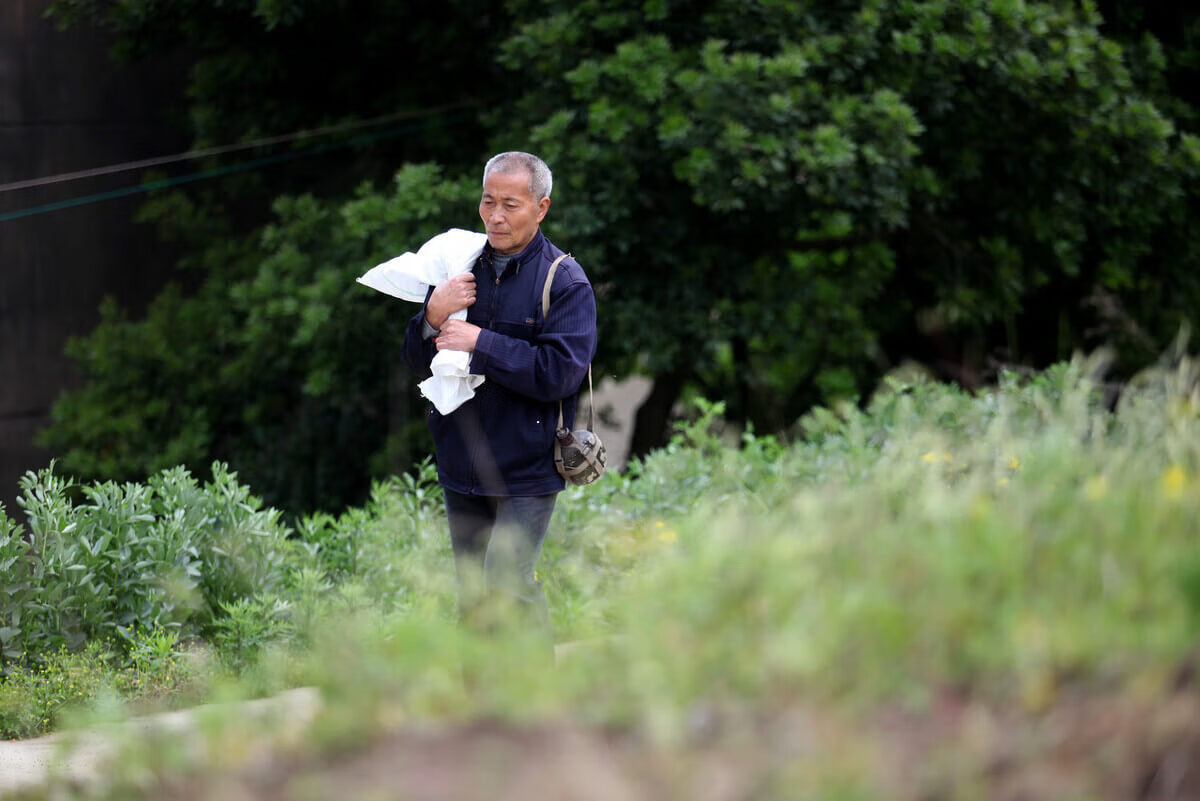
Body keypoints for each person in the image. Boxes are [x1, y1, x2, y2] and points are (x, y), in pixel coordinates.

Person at [401, 152, 597, 645]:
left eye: (511, 204)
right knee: (474, 596)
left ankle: (533, 707)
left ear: (541, 207)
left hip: (528, 468)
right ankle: (481, 710)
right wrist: (431, 315)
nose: (496, 216)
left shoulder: (564, 281)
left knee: (507, 586)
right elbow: (412, 358)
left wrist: (480, 342)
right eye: (488, 201)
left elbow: (559, 375)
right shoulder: (457, 265)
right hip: (460, 460)